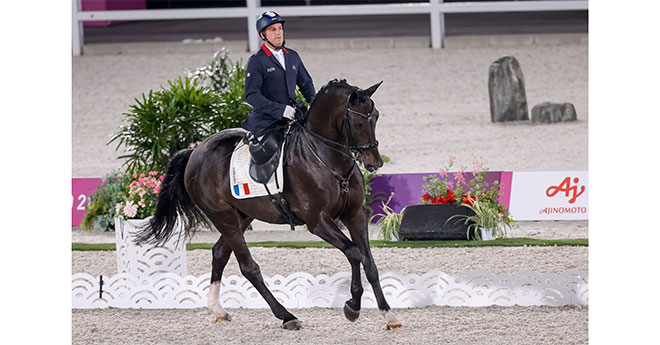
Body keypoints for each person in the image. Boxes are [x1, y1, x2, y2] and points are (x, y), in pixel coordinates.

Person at [242, 11, 316, 136]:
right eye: (272, 29)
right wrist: (280, 110)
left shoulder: (292, 56)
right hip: (267, 121)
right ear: (263, 34)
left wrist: (314, 103)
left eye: (280, 28)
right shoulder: (256, 61)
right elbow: (252, 95)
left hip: (294, 115)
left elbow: (306, 83)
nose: (278, 32)